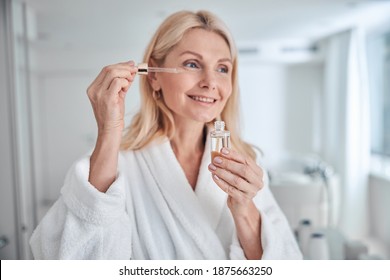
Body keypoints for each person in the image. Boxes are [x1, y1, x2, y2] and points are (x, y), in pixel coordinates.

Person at [30, 10, 302, 260]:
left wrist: (244, 209)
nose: (210, 82)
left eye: (222, 68)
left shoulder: (244, 165)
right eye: (193, 64)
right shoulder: (116, 165)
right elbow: (66, 259)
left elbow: (285, 264)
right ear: (154, 76)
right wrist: (109, 131)